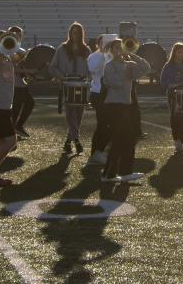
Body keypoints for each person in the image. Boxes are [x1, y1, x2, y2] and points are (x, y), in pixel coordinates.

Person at [101, 39, 150, 182]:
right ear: (111, 51)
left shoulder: (129, 64)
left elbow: (146, 68)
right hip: (114, 106)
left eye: (121, 48)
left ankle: (108, 174)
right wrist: (122, 67)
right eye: (116, 48)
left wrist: (133, 56)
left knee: (117, 140)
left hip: (124, 106)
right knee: (128, 137)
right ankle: (125, 171)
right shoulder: (109, 66)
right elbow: (115, 83)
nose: (119, 50)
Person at [0, 32, 27, 185]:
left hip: (4, 107)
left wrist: (12, 43)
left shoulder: (9, 60)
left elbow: (22, 53)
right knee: (10, 140)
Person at [49, 22, 91, 154]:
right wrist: (59, 75)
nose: (76, 35)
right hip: (67, 86)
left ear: (81, 34)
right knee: (70, 114)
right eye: (74, 33)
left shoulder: (86, 50)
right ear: (70, 34)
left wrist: (90, 77)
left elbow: (91, 68)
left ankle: (68, 142)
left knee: (79, 115)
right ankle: (77, 141)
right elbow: (52, 67)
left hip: (82, 87)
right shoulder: (61, 49)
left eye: (78, 33)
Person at [87, 34, 116, 165]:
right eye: (102, 42)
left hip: (109, 94)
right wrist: (104, 54)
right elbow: (93, 69)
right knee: (104, 124)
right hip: (98, 93)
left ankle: (97, 153)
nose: (104, 44)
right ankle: (97, 152)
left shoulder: (113, 56)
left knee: (106, 124)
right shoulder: (94, 56)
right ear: (98, 44)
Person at [9, 26, 37, 138]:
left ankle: (17, 127)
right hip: (15, 85)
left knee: (29, 103)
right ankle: (12, 132)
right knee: (15, 110)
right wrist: (28, 70)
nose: (20, 37)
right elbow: (12, 68)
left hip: (21, 84)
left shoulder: (17, 48)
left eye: (21, 35)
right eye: (18, 35)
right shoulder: (10, 49)